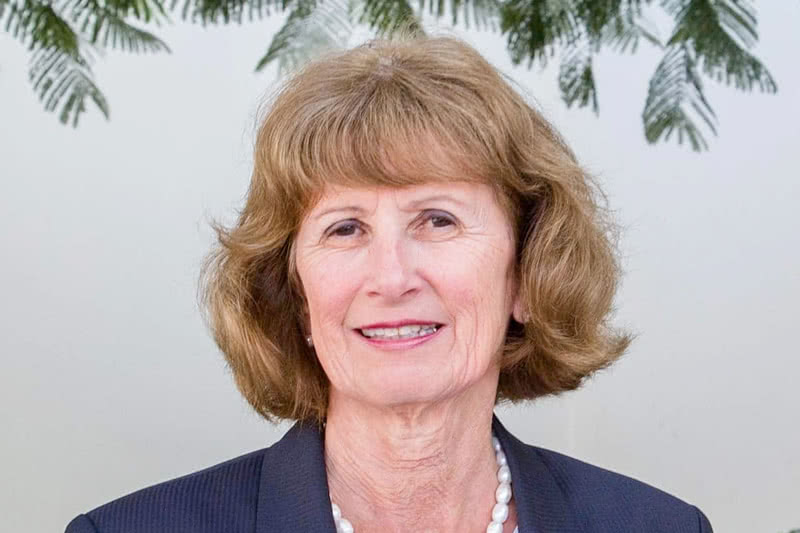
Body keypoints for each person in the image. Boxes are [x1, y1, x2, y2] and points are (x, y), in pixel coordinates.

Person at [65, 34, 713, 533]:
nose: (391, 276)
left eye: (437, 219)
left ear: (525, 271)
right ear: (294, 288)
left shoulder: (658, 525)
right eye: (345, 228)